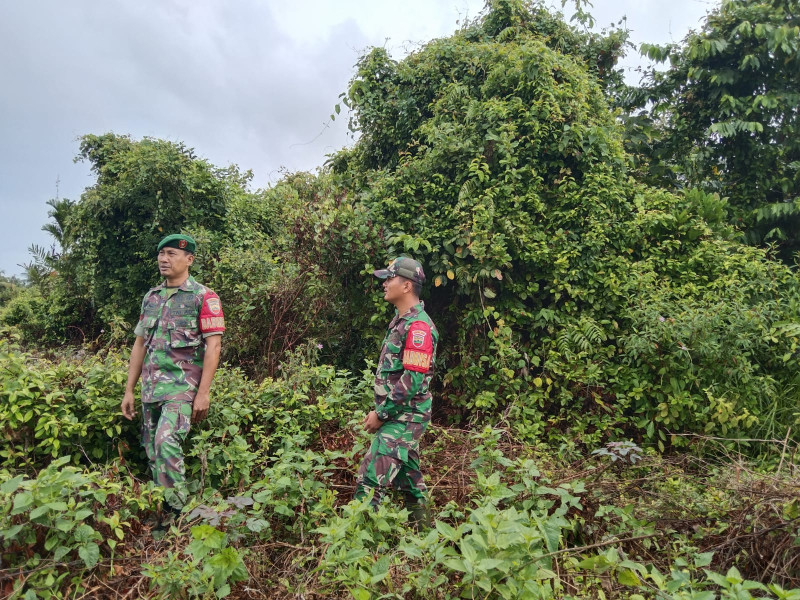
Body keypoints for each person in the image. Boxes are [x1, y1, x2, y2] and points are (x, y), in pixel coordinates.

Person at [121, 233, 225, 518]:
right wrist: (129, 390)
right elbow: (139, 344)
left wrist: (203, 393)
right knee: (152, 452)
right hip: (150, 390)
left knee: (166, 442)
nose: (164, 259)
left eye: (171, 254)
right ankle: (163, 514)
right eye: (161, 254)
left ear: (189, 259)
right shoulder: (151, 298)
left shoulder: (204, 297)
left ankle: (179, 515)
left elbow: (214, 346)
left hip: (182, 389)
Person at [354, 256, 439, 529]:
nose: (384, 284)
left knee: (370, 476)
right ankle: (424, 538)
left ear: (406, 286)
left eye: (389, 279)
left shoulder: (418, 328)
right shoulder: (400, 321)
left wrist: (381, 413)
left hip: (406, 416)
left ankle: (355, 545)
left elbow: (412, 380)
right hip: (399, 414)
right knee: (410, 480)